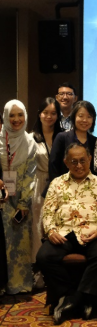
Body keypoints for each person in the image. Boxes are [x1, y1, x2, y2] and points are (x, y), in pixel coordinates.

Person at [37, 143, 97, 324]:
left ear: (90, 160)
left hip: (92, 233)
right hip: (64, 233)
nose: (79, 165)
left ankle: (76, 299)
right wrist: (51, 230)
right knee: (43, 257)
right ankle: (70, 295)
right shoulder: (57, 183)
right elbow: (47, 213)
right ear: (66, 162)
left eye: (83, 161)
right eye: (74, 162)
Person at [0, 100, 36, 294]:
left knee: (20, 242)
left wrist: (24, 202)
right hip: (1, 199)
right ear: (5, 116)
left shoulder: (29, 141)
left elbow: (31, 174)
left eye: (20, 115)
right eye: (11, 115)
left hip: (22, 199)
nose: (16, 119)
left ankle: (19, 284)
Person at [31, 97, 63, 275]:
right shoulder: (30, 138)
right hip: (38, 184)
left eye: (53, 113)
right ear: (39, 114)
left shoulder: (63, 136)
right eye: (46, 113)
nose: (49, 116)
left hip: (57, 184)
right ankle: (37, 269)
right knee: (37, 226)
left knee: (55, 225)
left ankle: (52, 267)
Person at [49, 100, 97, 181]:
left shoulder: (95, 141)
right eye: (81, 116)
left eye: (89, 116)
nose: (85, 120)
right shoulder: (62, 138)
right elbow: (53, 166)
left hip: (89, 188)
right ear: (74, 117)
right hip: (64, 187)